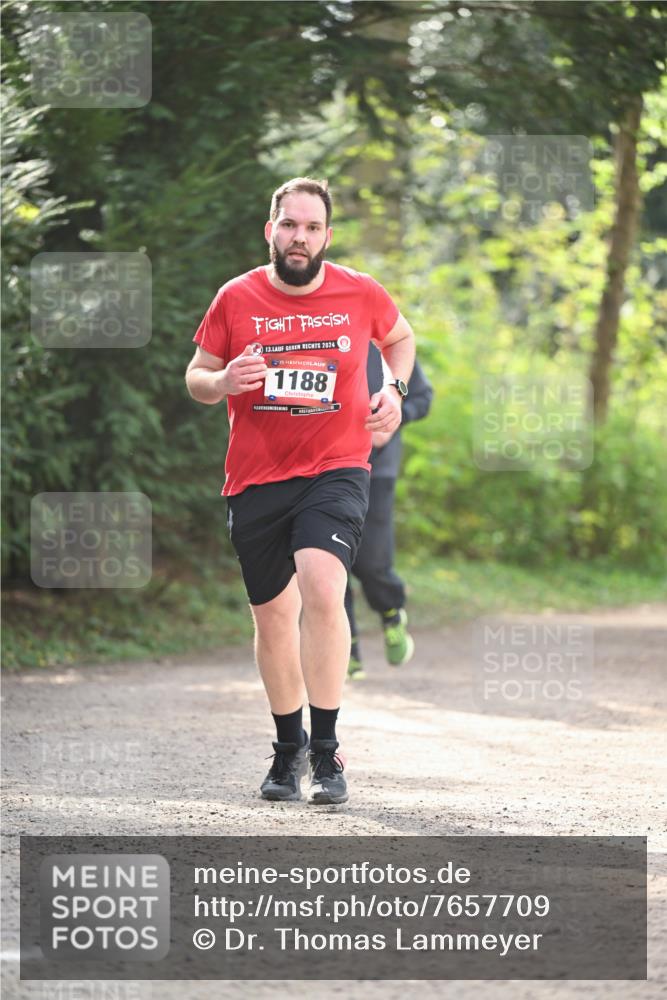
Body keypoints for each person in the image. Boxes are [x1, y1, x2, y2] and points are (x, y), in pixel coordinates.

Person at [185, 177, 415, 805]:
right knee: (273, 614)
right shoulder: (236, 298)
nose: (299, 237)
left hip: (336, 467)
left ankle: (327, 748)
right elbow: (196, 377)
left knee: (322, 584)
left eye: (312, 228)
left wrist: (392, 392)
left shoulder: (359, 291)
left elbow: (399, 339)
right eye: (289, 225)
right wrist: (225, 379)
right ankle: (287, 750)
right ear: (271, 229)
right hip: (257, 475)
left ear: (326, 236)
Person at [346, 350, 432, 680]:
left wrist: (394, 414)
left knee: (370, 562)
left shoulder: (388, 348)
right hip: (328, 466)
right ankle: (346, 652)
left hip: (377, 469)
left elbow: (423, 398)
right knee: (329, 560)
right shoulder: (321, 332)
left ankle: (391, 611)